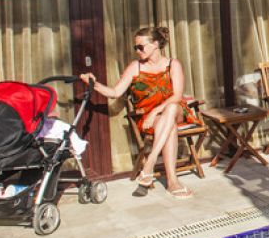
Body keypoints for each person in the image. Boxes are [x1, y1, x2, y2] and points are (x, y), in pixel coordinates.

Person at [81, 26, 197, 198]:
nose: (137, 51)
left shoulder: (173, 64)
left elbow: (177, 96)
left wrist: (155, 111)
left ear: (155, 44)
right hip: (153, 119)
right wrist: (94, 84)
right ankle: (173, 182)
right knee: (169, 127)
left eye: (141, 47)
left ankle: (150, 162)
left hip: (175, 110)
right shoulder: (135, 67)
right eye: (136, 47)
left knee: (171, 109)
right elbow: (115, 92)